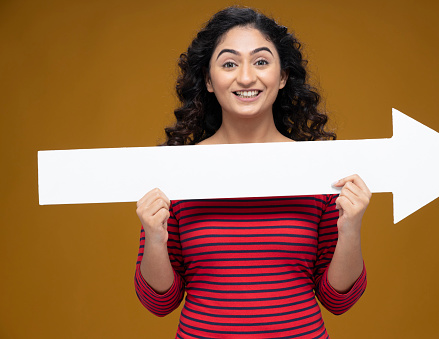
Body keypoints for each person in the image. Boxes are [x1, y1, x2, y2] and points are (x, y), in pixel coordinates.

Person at [134, 6, 370, 338]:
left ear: (283, 76)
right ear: (208, 80)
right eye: (229, 63)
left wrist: (350, 231)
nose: (246, 77)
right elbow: (160, 304)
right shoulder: (176, 172)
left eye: (261, 61)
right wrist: (156, 240)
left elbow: (338, 301)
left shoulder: (320, 169)